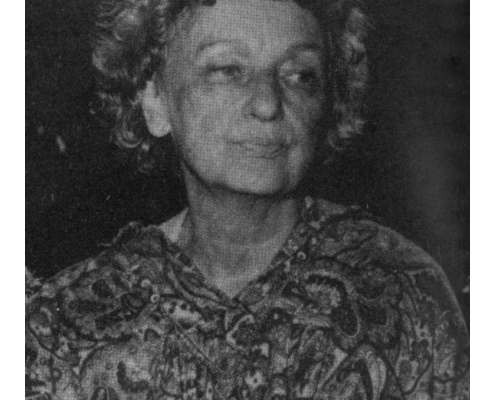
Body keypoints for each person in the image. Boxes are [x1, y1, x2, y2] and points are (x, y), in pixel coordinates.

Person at [25, 0, 469, 399]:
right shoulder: (65, 321)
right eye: (228, 70)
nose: (267, 103)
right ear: (155, 99)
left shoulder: (402, 291)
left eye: (300, 75)